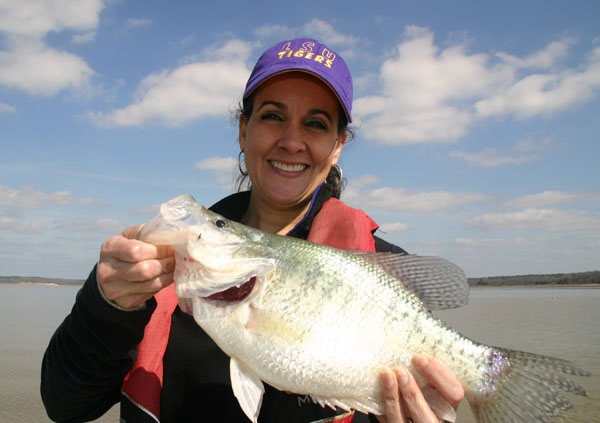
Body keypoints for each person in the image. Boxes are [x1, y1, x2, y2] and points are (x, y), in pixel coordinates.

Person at [41, 38, 464, 423]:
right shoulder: (168, 262)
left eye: (315, 124)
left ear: (337, 145)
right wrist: (107, 307)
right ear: (244, 131)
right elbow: (65, 406)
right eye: (273, 116)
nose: (291, 141)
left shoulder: (383, 265)